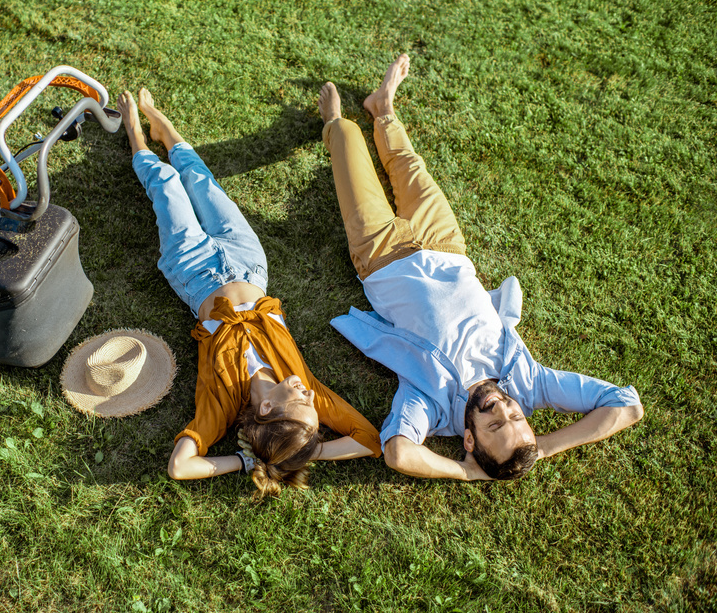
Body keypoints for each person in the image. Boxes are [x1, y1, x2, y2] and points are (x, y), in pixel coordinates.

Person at [318, 54, 644, 481]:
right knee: (407, 164)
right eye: (518, 419)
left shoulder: (431, 404)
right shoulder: (529, 385)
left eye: (494, 424)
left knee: (346, 145)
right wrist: (541, 447)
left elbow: (398, 452)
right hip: (446, 245)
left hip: (381, 255)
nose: (505, 409)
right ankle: (382, 107)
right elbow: (626, 405)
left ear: (469, 440)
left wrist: (467, 473)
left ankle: (333, 119)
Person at [116, 88, 382, 496]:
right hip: (249, 264)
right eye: (314, 406)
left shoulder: (221, 405)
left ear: (265, 409)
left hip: (194, 272)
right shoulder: (300, 379)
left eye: (302, 405)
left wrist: (250, 460)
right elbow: (369, 439)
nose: (309, 394)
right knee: (201, 179)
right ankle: (160, 123)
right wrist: (304, 449)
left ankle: (135, 132)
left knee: (167, 183)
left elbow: (181, 467)